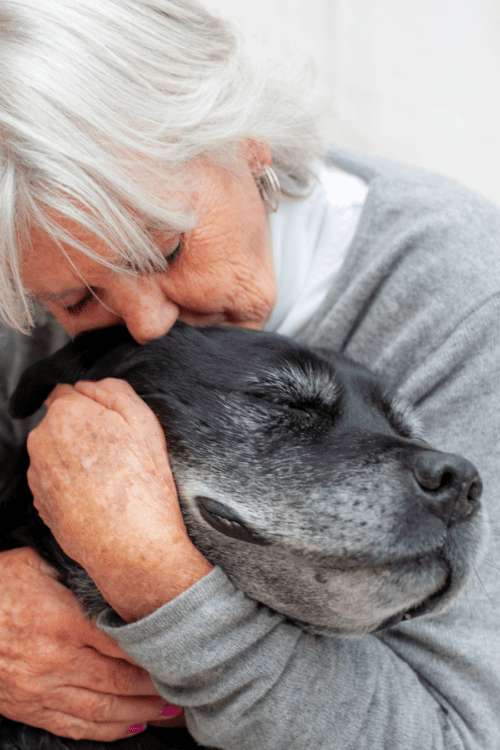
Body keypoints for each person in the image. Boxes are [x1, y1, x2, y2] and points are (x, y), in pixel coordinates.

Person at [0, 0, 499, 747]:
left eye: (166, 250)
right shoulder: (22, 269)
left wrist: (155, 581)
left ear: (247, 151)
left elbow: (455, 734)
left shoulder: (461, 295)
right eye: (79, 299)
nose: (149, 325)